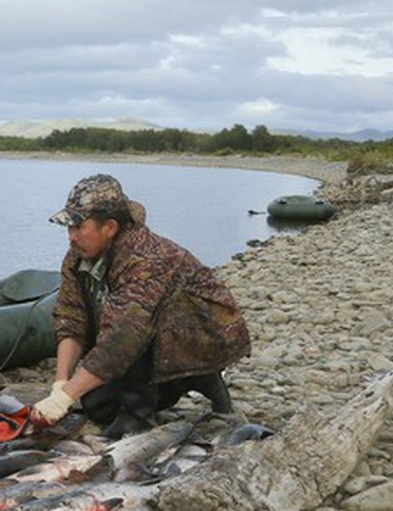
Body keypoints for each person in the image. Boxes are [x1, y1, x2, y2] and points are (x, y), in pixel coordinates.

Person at [32, 174, 250, 437]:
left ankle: (182, 389)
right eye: (69, 228)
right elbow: (70, 315)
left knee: (134, 333)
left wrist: (65, 399)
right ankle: (178, 381)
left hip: (205, 335)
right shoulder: (77, 257)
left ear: (109, 228)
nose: (72, 237)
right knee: (97, 406)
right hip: (152, 338)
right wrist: (61, 384)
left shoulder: (146, 258)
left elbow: (125, 336)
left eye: (79, 227)